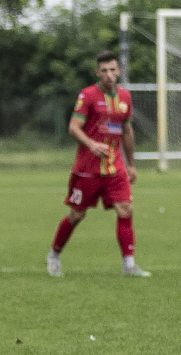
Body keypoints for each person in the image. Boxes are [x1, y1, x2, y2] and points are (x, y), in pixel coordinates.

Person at [46, 50, 150, 278]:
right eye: (104, 71)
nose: (109, 75)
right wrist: (91, 144)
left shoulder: (125, 97)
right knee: (77, 215)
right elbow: (74, 127)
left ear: (119, 71)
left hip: (116, 166)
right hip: (88, 169)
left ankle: (129, 265)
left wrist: (131, 164)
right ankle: (54, 254)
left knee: (126, 209)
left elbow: (127, 130)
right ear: (97, 72)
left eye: (113, 70)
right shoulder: (88, 96)